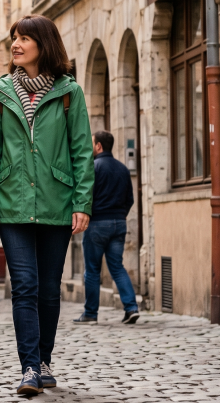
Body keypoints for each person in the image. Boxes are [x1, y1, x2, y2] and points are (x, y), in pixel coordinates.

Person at [0, 15, 94, 395]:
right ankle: (29, 367)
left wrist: (82, 203)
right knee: (24, 286)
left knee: (47, 288)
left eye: (25, 38)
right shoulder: (2, 91)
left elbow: (81, 151)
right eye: (14, 37)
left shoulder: (68, 92)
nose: (16, 44)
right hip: (12, 204)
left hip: (56, 202)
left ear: (44, 44)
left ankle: (44, 359)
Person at [74, 130, 139, 325]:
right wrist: (119, 216)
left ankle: (90, 314)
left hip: (97, 224)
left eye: (92, 143)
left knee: (92, 270)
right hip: (119, 223)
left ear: (99, 146)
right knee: (117, 267)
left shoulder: (93, 167)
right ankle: (131, 308)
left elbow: (85, 197)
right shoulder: (122, 169)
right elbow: (130, 199)